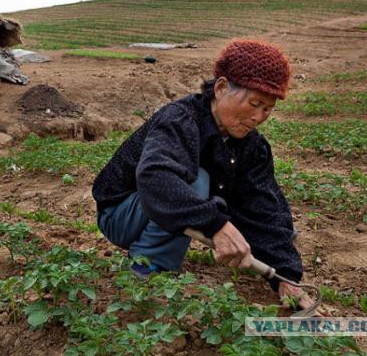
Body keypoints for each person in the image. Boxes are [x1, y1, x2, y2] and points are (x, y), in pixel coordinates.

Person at [92, 40, 313, 309]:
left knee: (252, 207)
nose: (258, 117)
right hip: (121, 215)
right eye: (254, 103)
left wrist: (285, 275)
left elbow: (265, 208)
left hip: (163, 213)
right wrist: (215, 224)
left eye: (267, 109)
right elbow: (155, 178)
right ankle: (149, 272)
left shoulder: (252, 147)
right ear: (221, 88)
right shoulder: (180, 120)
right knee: (196, 180)